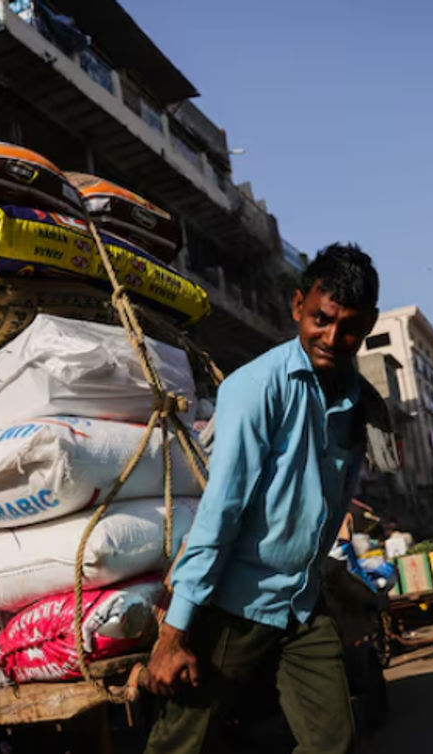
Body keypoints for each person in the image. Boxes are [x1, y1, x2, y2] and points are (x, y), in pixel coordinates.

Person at [143, 244, 381, 754]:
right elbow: (221, 510)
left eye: (350, 329)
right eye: (322, 319)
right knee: (180, 744)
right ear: (298, 306)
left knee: (333, 742)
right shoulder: (257, 388)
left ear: (369, 327)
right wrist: (174, 635)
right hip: (236, 603)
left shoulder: (355, 401)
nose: (333, 338)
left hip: (301, 604)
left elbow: (330, 507)